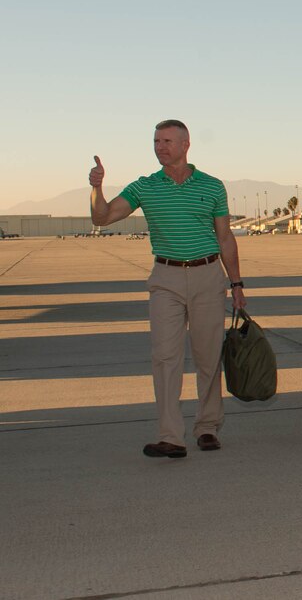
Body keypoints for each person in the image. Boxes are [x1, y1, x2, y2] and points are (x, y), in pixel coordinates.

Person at [88, 119, 246, 458]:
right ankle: (170, 435)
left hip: (207, 275)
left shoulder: (213, 186)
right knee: (165, 357)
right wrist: (97, 188)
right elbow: (102, 218)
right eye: (156, 141)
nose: (160, 147)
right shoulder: (144, 187)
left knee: (207, 356)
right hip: (166, 278)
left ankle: (206, 427)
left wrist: (236, 283)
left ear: (186, 145)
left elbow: (225, 238)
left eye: (167, 141)